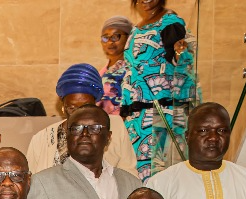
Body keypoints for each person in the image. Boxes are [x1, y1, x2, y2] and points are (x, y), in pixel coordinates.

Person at [120, 0, 200, 180]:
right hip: (136, 118)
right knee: (136, 174)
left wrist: (180, 53)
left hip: (160, 114)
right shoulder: (137, 28)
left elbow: (180, 61)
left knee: (160, 175)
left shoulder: (169, 22)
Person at [26, 64, 138, 177]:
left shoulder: (115, 127)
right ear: (63, 107)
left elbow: (130, 175)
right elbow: (31, 182)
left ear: (95, 105)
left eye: (86, 107)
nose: (79, 114)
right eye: (72, 108)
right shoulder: (40, 139)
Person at [99, 17, 134, 115]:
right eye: (105, 37)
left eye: (115, 36)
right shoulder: (100, 73)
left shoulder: (132, 69)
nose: (110, 41)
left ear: (128, 38)